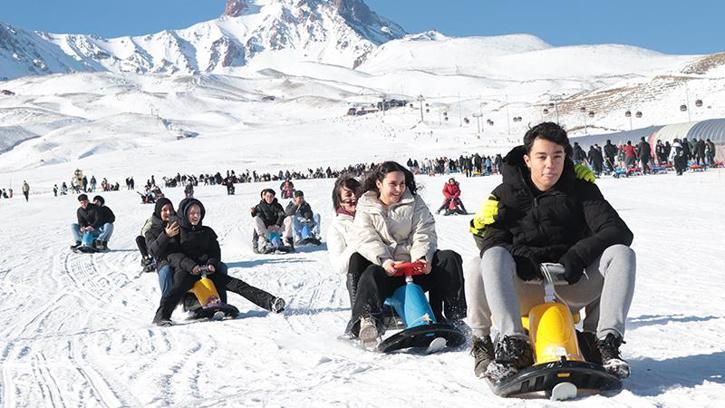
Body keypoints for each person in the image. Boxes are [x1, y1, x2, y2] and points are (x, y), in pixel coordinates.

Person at [467, 122, 635, 383]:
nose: (550, 165)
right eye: (542, 157)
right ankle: (509, 345)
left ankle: (602, 343)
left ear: (566, 156)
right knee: (484, 260)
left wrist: (577, 256)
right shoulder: (505, 194)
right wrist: (523, 258)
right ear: (527, 159)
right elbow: (492, 239)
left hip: (571, 284)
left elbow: (618, 230)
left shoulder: (581, 189)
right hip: (523, 287)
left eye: (557, 156)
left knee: (621, 253)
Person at [347, 161, 467, 348]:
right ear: (379, 184)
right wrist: (385, 261)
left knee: (449, 259)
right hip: (387, 271)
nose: (399, 189)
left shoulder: (414, 202)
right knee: (369, 272)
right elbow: (366, 237)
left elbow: (424, 231)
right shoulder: (366, 206)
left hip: (415, 268)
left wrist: (421, 258)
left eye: (402, 183)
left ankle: (453, 315)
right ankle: (367, 320)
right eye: (393, 184)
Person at [152, 198, 285, 326]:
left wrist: (212, 264)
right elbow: (173, 255)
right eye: (192, 213)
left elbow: (215, 251)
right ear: (185, 214)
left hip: (206, 270)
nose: (195, 216)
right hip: (186, 271)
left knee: (237, 284)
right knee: (175, 291)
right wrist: (191, 266)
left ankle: (271, 301)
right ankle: (162, 316)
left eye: (198, 213)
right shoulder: (177, 231)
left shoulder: (207, 232)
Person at [326, 175, 362, 307]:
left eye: (358, 194)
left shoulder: (376, 216)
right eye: (349, 196)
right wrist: (360, 240)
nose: (354, 198)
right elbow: (340, 267)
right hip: (362, 281)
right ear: (340, 201)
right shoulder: (337, 227)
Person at [251, 188, 291, 253]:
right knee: (255, 219)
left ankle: (287, 240)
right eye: (267, 196)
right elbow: (260, 216)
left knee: (288, 219)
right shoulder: (259, 206)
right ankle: (263, 244)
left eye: (271, 196)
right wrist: (268, 225)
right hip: (266, 229)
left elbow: (282, 215)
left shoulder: (278, 206)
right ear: (264, 197)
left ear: (274, 197)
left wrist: (277, 225)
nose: (269, 198)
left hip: (276, 228)